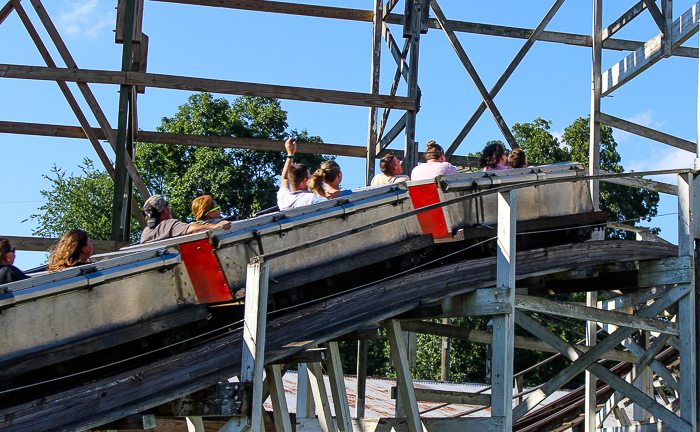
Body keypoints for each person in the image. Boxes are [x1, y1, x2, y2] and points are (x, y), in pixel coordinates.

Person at [140, 195, 232, 243]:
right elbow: (190, 229)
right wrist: (215, 226)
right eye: (167, 204)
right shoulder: (168, 225)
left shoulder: (146, 232)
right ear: (165, 210)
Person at [277, 138, 328, 210]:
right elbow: (330, 204)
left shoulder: (283, 197)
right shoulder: (310, 199)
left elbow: (284, 178)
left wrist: (290, 154)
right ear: (304, 180)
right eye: (309, 177)